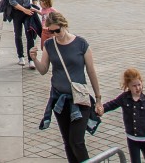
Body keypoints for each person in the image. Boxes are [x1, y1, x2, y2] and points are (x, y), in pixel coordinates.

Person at [31, 11, 104, 163]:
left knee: (76, 141)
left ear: (64, 25)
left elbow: (91, 72)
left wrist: (98, 99)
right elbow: (43, 70)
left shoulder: (81, 44)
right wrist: (34, 59)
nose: (55, 34)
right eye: (50, 31)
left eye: (57, 30)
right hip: (60, 100)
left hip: (79, 100)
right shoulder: (50, 45)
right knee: (67, 142)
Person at [101, 68, 145, 163]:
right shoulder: (124, 98)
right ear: (128, 86)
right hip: (132, 138)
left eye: (139, 85)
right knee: (135, 161)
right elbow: (112, 104)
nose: (137, 88)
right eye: (134, 86)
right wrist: (101, 109)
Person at [4, 0, 39, 68]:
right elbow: (11, 0)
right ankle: (21, 56)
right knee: (18, 34)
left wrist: (35, 6)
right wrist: (24, 10)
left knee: (30, 35)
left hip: (28, 10)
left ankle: (30, 59)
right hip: (17, 12)